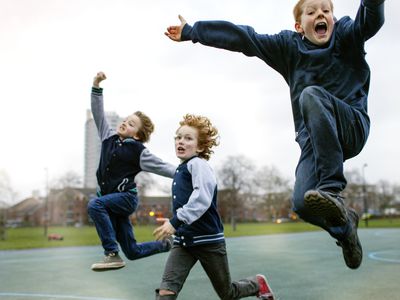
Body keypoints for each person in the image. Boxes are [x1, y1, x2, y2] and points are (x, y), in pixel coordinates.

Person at [164, 0, 385, 270]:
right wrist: (193, 31)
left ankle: (332, 189)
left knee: (311, 95)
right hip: (314, 142)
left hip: (352, 126)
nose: (321, 15)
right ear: (299, 26)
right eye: (312, 12)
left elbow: (370, 20)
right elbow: (245, 38)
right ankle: (345, 230)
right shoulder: (288, 47)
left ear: (334, 19)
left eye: (326, 11)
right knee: (303, 203)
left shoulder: (346, 35)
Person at [153, 114, 274, 299]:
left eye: (188, 138)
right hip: (184, 241)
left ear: (200, 146)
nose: (181, 141)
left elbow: (202, 198)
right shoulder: (180, 169)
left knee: (227, 293)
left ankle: (257, 284)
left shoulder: (199, 165)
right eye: (178, 137)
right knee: (166, 291)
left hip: (208, 240)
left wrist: (175, 221)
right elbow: (163, 171)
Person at [87, 72, 176, 271]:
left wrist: (187, 171)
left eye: (131, 123)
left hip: (126, 198)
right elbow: (98, 113)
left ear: (137, 135)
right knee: (133, 251)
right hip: (111, 201)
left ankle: (111, 253)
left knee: (94, 205)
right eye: (126, 119)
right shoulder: (107, 137)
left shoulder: (138, 151)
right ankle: (167, 244)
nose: (126, 122)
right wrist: (96, 85)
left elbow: (162, 166)